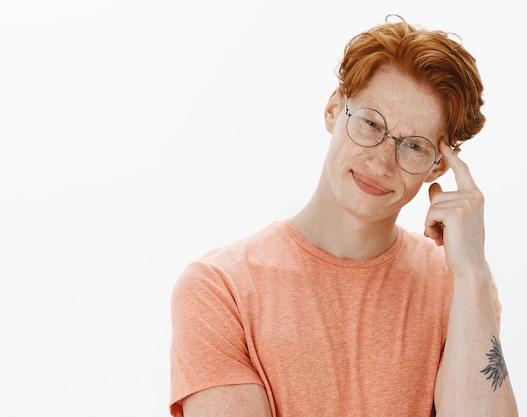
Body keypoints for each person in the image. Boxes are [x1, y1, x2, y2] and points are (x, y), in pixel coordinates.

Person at [169, 16, 518, 417]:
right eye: (371, 123)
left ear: (438, 168)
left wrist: (473, 272)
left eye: (415, 146)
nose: (382, 161)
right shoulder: (219, 288)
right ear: (334, 109)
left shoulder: (460, 288)